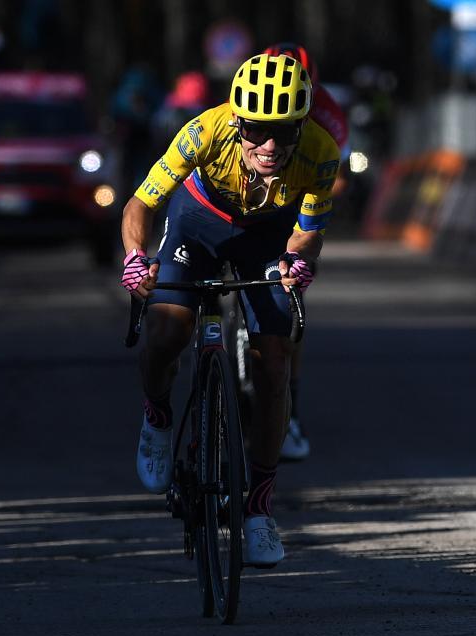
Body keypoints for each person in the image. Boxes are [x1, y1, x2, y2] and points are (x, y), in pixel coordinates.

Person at [120, 54, 340, 567]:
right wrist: (134, 258)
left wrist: (298, 260)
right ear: (237, 121)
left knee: (274, 366)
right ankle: (157, 416)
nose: (270, 146)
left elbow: (308, 230)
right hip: (198, 222)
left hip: (267, 234)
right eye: (258, 130)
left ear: (302, 125)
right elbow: (140, 204)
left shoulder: (321, 153)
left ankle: (260, 511)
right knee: (167, 328)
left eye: (284, 132)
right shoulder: (204, 132)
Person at [261, 42, 352, 462]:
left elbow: (330, 181)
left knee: (288, 303)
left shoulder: (329, 116)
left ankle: (289, 412)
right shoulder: (247, 96)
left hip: (299, 194)